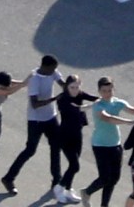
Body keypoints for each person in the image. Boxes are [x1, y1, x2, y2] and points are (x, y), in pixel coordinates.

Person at [1, 55, 63, 195]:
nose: (54, 71)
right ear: (45, 67)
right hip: (35, 120)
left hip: (50, 117)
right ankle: (8, 178)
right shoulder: (34, 79)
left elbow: (63, 84)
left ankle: (57, 180)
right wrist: (54, 98)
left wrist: (71, 86)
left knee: (56, 146)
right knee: (30, 150)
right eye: (52, 69)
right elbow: (35, 104)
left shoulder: (52, 72)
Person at [79, 76, 129, 201]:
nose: (107, 93)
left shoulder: (118, 103)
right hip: (100, 145)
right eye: (104, 91)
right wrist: (130, 122)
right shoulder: (97, 105)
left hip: (115, 145)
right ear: (99, 91)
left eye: (110, 90)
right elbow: (107, 118)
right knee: (105, 177)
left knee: (114, 179)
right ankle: (87, 192)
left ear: (113, 90)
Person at [47, 73, 95, 202]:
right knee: (75, 166)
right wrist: (89, 106)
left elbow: (93, 98)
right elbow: (76, 110)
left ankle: (68, 190)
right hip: (65, 136)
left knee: (73, 165)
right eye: (72, 87)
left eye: (77, 87)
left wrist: (105, 99)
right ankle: (59, 188)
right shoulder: (62, 99)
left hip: (77, 134)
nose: (74, 90)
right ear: (67, 87)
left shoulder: (79, 94)